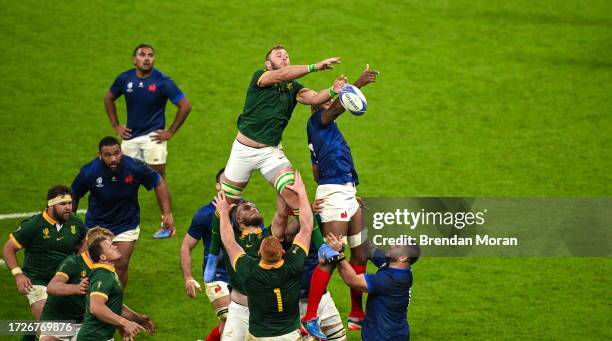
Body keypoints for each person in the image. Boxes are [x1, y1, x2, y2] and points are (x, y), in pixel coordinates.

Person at [209, 45, 345, 261]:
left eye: (287, 55)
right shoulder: (260, 77)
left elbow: (312, 98)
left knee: (295, 195)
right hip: (242, 152)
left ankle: (322, 248)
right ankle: (213, 256)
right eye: (278, 55)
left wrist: (332, 90)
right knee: (226, 204)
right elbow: (281, 74)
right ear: (267, 64)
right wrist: (315, 67)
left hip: (270, 153)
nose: (284, 56)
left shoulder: (293, 86)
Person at [302, 65, 379, 335]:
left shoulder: (324, 130)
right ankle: (310, 317)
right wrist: (359, 83)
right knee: (332, 255)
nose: (328, 101)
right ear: (318, 107)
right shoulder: (317, 121)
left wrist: (344, 185)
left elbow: (314, 171)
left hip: (344, 190)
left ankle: (357, 312)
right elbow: (338, 107)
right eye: (325, 100)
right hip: (334, 194)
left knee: (361, 252)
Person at [103, 43, 192, 239]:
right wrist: (116, 125)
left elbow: (185, 105)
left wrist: (170, 131)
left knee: (157, 178)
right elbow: (108, 98)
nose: (146, 58)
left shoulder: (162, 81)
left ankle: (167, 223)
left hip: (153, 137)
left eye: (150, 55)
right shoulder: (124, 79)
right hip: (130, 137)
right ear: (134, 59)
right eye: (142, 55)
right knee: (121, 175)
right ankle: (120, 219)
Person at [217, 170, 314, 340]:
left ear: (262, 252)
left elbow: (282, 214)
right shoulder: (234, 236)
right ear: (238, 220)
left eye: (255, 206)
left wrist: (278, 181)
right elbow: (306, 230)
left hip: (268, 311)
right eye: (247, 208)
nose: (253, 208)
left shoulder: (267, 237)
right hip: (240, 309)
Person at [71, 136, 173, 288]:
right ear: (100, 155)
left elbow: (158, 181)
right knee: (85, 265)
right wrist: (71, 224)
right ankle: (85, 299)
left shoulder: (134, 167)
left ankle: (114, 301)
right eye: (108, 155)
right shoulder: (89, 171)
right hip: (96, 226)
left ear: (121, 152)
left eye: (117, 153)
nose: (113, 159)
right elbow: (74, 194)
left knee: (120, 264)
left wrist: (166, 213)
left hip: (126, 224)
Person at [3, 185, 87, 341]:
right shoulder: (33, 225)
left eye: (69, 203)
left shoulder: (75, 223)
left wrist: (81, 264)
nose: (68, 208)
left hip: (63, 281)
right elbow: (8, 248)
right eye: (63, 204)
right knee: (50, 327)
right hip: (37, 280)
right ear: (50, 205)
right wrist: (18, 275)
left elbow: (83, 243)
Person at [324, 233, 419, 341]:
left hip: (384, 337)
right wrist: (353, 232)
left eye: (397, 246)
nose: (392, 245)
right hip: (393, 333)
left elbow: (352, 280)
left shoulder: (392, 280)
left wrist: (338, 253)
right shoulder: (395, 266)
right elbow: (369, 249)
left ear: (402, 257)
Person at [180, 168, 230, 341]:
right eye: (225, 182)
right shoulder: (205, 214)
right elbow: (186, 246)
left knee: (235, 322)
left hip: (242, 274)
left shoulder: (246, 211)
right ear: (218, 185)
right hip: (216, 275)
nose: (230, 186)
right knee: (232, 322)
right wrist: (188, 278)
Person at [39, 227, 114, 341]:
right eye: (109, 245)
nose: (114, 248)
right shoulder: (73, 262)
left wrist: (132, 320)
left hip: (84, 323)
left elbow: (110, 301)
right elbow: (51, 287)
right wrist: (77, 288)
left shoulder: (107, 269)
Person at [76, 237, 155, 341]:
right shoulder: (102, 275)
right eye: (110, 246)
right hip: (93, 337)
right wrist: (125, 323)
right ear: (103, 257)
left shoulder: (109, 273)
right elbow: (96, 307)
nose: (115, 246)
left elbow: (114, 305)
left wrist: (137, 319)